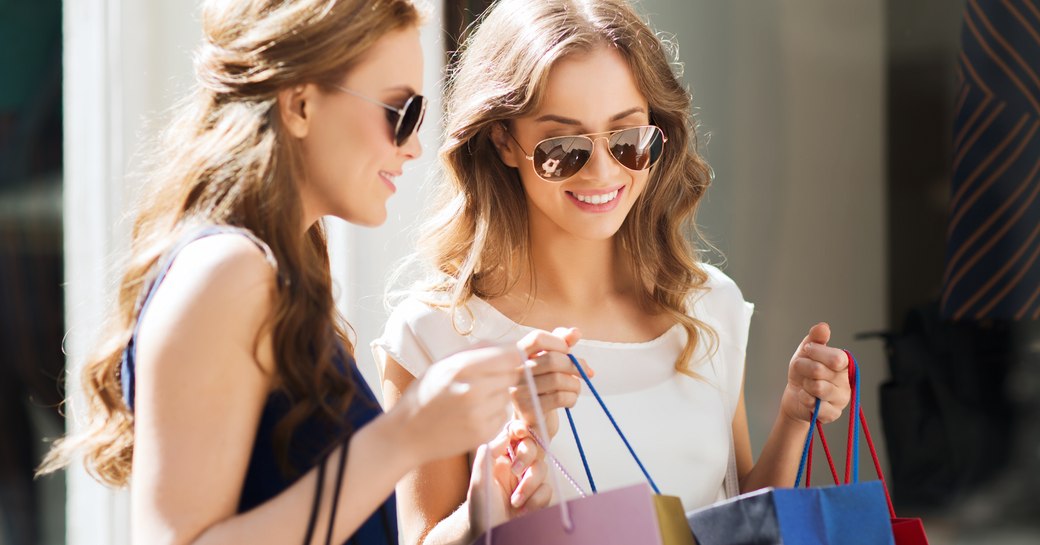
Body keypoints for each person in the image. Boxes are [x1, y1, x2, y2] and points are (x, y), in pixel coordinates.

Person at [37, 1, 570, 543]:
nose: (412, 147)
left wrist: (477, 519)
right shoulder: (227, 271)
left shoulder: (274, 272)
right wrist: (404, 436)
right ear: (299, 105)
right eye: (400, 113)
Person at [372, 0, 853, 542]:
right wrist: (490, 504)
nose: (603, 171)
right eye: (563, 147)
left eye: (627, 140)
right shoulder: (433, 335)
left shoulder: (706, 306)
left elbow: (739, 522)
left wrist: (792, 418)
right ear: (504, 140)